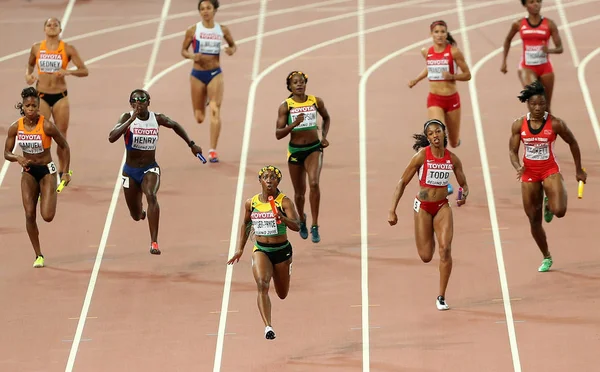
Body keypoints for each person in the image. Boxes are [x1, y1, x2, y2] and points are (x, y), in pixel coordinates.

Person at [108, 89, 204, 255]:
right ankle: (141, 213)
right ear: (131, 104)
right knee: (136, 215)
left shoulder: (156, 118)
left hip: (150, 168)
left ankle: (154, 242)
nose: (140, 103)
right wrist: (131, 120)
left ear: (148, 102)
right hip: (130, 172)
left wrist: (192, 144)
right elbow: (111, 137)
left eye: (143, 100)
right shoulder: (126, 118)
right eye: (136, 100)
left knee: (151, 195)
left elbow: (174, 125)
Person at [388, 119, 469, 311]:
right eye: (431, 133)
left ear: (443, 133)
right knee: (426, 256)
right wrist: (392, 209)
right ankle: (429, 232)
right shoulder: (421, 157)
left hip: (442, 207)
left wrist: (463, 195)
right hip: (423, 207)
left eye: (438, 131)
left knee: (445, 250)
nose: (435, 135)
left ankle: (441, 296)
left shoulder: (453, 159)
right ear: (427, 137)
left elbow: (464, 185)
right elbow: (402, 182)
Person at [509, 81, 586, 272]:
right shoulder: (519, 124)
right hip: (529, 173)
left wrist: (579, 170)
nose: (537, 108)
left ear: (546, 104)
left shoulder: (556, 124)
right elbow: (512, 150)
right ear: (527, 104)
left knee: (559, 210)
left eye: (541, 104)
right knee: (534, 220)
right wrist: (518, 166)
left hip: (549, 169)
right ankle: (546, 256)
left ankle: (549, 203)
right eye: (534, 104)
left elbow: (573, 142)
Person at [227, 165, 300, 340]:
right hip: (261, 249)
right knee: (262, 283)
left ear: (278, 182)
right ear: (260, 180)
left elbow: (297, 226)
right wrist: (240, 249)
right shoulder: (251, 203)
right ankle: (268, 326)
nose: (269, 180)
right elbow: (246, 224)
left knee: (282, 294)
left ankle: (283, 270)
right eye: (265, 177)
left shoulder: (284, 202)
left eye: (273, 177)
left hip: (281, 251)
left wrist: (282, 218)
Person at [3, 87, 72, 268]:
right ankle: (38, 255)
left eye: (34, 105)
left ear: (39, 106)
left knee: (47, 216)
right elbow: (6, 153)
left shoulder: (47, 126)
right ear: (23, 107)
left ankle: (45, 193)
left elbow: (64, 146)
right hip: (28, 172)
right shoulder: (15, 127)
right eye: (28, 106)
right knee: (29, 214)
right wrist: (17, 157)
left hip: (46, 171)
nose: (31, 109)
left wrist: (65, 171)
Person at [408, 20, 471, 195]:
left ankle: (455, 139)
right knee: (437, 134)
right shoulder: (426, 51)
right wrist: (416, 79)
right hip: (434, 99)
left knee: (452, 141)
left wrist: (452, 76)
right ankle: (444, 181)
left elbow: (468, 74)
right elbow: (429, 68)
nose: (440, 34)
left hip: (452, 100)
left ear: (446, 33)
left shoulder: (454, 52)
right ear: (431, 34)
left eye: (443, 31)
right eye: (436, 31)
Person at [25, 17, 89, 183]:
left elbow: (84, 70)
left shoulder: (68, 48)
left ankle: (63, 170)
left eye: (55, 25)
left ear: (60, 30)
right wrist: (28, 75)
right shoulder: (36, 47)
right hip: (42, 96)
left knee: (61, 136)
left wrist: (68, 72)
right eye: (49, 24)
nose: (52, 27)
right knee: (40, 134)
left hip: (60, 96)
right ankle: (42, 168)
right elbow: (30, 65)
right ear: (44, 29)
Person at [275, 71, 331, 243]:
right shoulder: (286, 106)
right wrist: (294, 124)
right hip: (295, 152)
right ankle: (302, 218)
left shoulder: (315, 101)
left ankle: (315, 225)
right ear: (290, 87)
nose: (299, 84)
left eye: (302, 82)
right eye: (295, 82)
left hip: (314, 149)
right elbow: (278, 134)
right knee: (299, 193)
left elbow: (326, 118)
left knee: (314, 183)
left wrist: (323, 137)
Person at [180, 0, 237, 163]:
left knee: (215, 109)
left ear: (215, 10)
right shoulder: (193, 30)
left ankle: (213, 150)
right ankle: (204, 99)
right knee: (199, 117)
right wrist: (192, 56)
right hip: (197, 74)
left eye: (208, 8)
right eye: (202, 9)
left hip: (215, 74)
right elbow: (183, 50)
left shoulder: (222, 30)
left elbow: (233, 46)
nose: (205, 11)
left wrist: (230, 50)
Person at [500, 0, 563, 112]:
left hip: (545, 67)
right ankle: (531, 128)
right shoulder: (518, 24)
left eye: (538, 1)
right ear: (525, 5)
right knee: (535, 99)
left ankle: (547, 129)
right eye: (531, 2)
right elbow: (507, 40)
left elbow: (560, 48)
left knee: (546, 107)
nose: (536, 4)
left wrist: (549, 50)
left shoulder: (549, 24)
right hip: (527, 67)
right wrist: (504, 62)